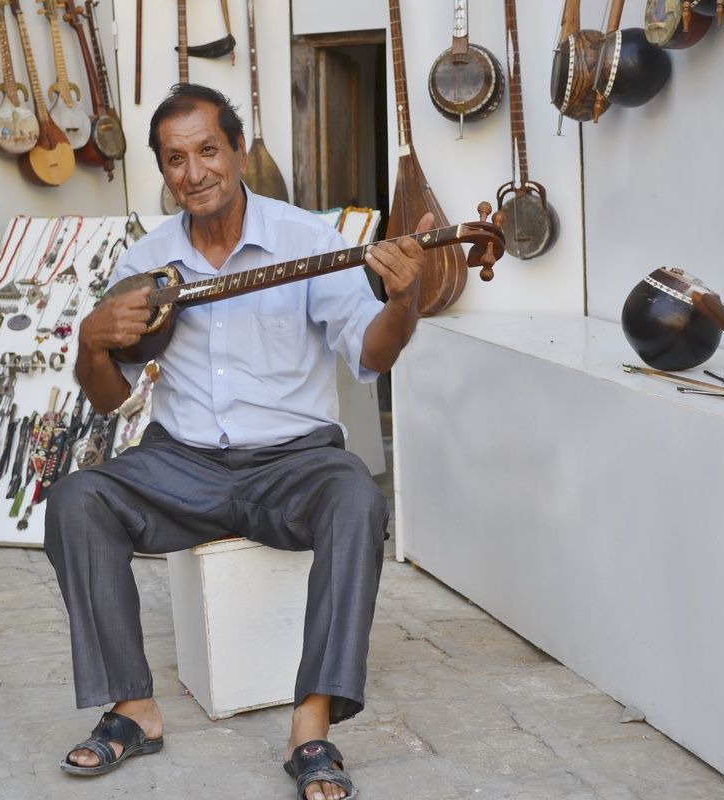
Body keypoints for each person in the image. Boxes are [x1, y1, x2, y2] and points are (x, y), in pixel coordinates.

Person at [45, 82, 434, 800]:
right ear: (162, 169)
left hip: (294, 463)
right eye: (174, 159)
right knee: (76, 500)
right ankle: (134, 708)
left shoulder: (308, 242)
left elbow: (370, 356)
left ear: (240, 152)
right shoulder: (151, 256)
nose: (193, 173)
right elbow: (110, 396)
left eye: (207, 151)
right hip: (180, 463)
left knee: (356, 498)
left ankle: (311, 725)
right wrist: (92, 345)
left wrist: (404, 302)